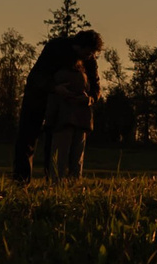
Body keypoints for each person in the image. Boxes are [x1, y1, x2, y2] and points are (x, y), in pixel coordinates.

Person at [13, 28, 103, 184]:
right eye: (89, 53)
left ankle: (52, 181)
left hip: (63, 106)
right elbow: (36, 77)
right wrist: (55, 88)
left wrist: (90, 99)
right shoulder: (55, 47)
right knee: (27, 139)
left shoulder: (89, 59)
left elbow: (96, 86)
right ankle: (21, 181)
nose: (91, 57)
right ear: (80, 47)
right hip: (37, 96)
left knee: (54, 142)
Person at [43, 57, 95, 183]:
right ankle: (67, 183)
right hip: (69, 118)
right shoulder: (67, 74)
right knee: (70, 158)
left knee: (66, 157)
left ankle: (62, 183)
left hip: (73, 118)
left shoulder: (74, 73)